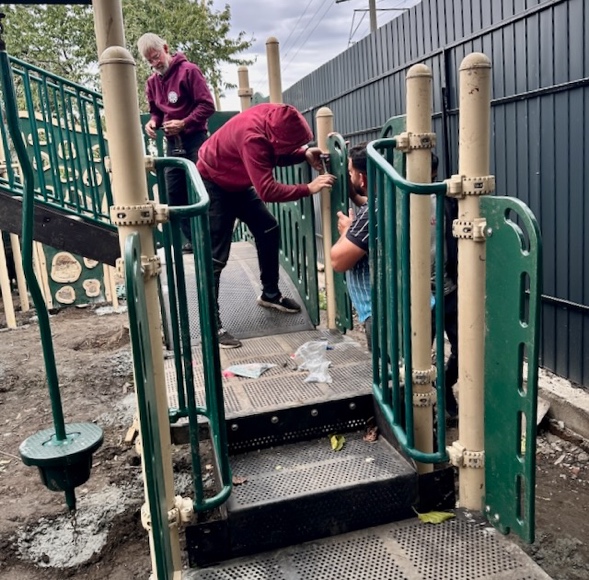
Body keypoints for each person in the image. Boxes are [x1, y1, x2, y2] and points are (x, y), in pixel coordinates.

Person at [196, 103, 336, 349]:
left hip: (236, 179)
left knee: (268, 227)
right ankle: (211, 324)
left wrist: (303, 153)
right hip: (214, 181)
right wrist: (308, 188)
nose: (294, 147)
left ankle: (270, 294)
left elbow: (274, 153)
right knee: (216, 256)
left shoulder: (274, 116)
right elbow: (268, 190)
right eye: (292, 144)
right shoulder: (253, 138)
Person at [138, 33, 215, 252]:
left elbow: (207, 106)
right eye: (150, 61)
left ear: (165, 47)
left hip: (196, 140)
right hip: (173, 145)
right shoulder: (152, 82)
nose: (155, 63)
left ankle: (211, 238)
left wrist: (184, 122)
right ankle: (193, 240)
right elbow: (155, 112)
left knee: (206, 189)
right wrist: (152, 123)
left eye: (156, 57)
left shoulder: (189, 71)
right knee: (173, 194)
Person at [330, 142, 372, 351]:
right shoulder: (394, 198)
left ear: (362, 178)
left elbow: (338, 261)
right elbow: (361, 198)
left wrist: (348, 230)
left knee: (390, 373)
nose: (349, 175)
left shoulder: (370, 215)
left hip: (380, 312)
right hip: (410, 304)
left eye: (350, 172)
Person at [430, 153, 459, 421]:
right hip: (419, 293)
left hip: (450, 289)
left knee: (463, 351)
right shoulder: (402, 200)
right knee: (416, 354)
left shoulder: (446, 201)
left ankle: (444, 385)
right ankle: (425, 409)